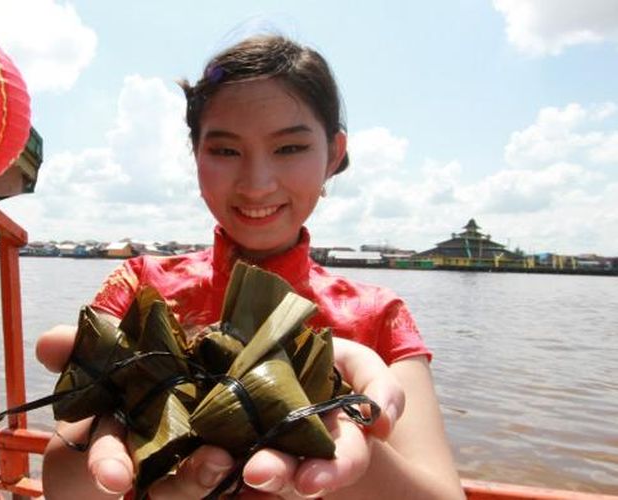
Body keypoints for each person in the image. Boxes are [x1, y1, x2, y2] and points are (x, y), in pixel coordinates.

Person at [35, 34, 464, 499]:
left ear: (334, 154)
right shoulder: (140, 287)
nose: (257, 184)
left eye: (289, 149)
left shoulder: (379, 315)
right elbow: (62, 482)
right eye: (225, 151)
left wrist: (323, 422)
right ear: (195, 154)